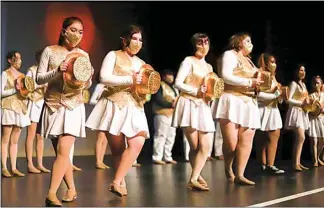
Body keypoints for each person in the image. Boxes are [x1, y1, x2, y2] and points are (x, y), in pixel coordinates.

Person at [86, 25, 150, 197]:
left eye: (140, 39)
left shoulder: (142, 64)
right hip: (115, 103)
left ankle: (115, 181)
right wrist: (130, 79)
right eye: (134, 38)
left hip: (135, 105)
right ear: (124, 40)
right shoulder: (113, 55)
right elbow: (104, 77)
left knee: (138, 141)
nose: (137, 42)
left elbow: (145, 85)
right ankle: (120, 182)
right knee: (118, 150)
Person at [36, 16, 93, 206]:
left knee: (63, 150)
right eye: (73, 30)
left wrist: (88, 77)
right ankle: (72, 189)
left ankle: (51, 194)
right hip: (53, 106)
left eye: (80, 31)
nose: (77, 34)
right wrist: (57, 71)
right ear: (63, 31)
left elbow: (86, 84)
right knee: (63, 154)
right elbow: (39, 79)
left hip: (73, 106)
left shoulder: (83, 55)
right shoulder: (50, 51)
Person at [214, 33, 262, 185]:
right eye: (247, 40)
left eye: (251, 40)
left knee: (246, 141)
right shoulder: (229, 55)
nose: (250, 43)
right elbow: (225, 76)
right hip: (232, 100)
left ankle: (240, 174)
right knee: (231, 143)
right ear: (238, 42)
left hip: (249, 103)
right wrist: (250, 82)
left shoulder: (250, 62)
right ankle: (228, 167)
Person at [172, 33, 215, 191]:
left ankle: (194, 177)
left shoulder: (209, 67)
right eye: (200, 43)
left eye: (206, 43)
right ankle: (196, 176)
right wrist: (196, 90)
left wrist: (210, 95)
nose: (204, 46)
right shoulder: (188, 61)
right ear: (194, 45)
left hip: (202, 106)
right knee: (195, 146)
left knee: (206, 145)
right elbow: (178, 83)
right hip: (188, 103)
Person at [1, 51, 30, 177]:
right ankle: (4, 167)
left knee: (15, 140)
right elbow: (1, 92)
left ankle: (13, 167)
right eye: (17, 58)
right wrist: (15, 90)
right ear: (10, 60)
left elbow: (25, 93)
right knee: (5, 138)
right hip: (8, 107)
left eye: (20, 58)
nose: (19, 61)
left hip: (20, 108)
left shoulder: (22, 76)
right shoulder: (5, 74)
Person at [255, 53, 285, 174]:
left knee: (274, 135)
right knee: (261, 139)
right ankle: (262, 164)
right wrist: (274, 95)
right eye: (272, 62)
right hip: (262, 108)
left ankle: (270, 164)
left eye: (275, 62)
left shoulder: (273, 77)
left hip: (273, 109)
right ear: (266, 63)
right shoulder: (260, 74)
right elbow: (257, 94)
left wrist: (280, 96)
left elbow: (278, 95)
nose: (274, 64)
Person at [25, 49, 51, 174]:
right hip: (34, 102)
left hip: (44, 103)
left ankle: (39, 163)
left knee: (40, 136)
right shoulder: (32, 70)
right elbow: (27, 87)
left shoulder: (48, 72)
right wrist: (41, 86)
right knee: (31, 135)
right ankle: (30, 164)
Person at [284, 64, 310, 171]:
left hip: (303, 113)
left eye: (304, 70)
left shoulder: (303, 85)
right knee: (301, 137)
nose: (302, 72)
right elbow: (288, 99)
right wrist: (301, 103)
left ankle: (297, 162)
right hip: (296, 111)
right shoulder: (293, 84)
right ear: (296, 71)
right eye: (300, 70)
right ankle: (295, 163)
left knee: (300, 138)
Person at [152, 69, 179, 165]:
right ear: (164, 76)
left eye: (172, 75)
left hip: (172, 114)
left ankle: (167, 156)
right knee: (161, 135)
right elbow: (158, 99)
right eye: (169, 75)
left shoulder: (174, 88)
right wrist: (171, 104)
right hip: (161, 113)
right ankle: (157, 156)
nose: (171, 77)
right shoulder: (160, 85)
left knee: (171, 136)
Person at [307, 76, 324, 167]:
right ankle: (315, 160)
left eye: (318, 83)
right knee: (314, 140)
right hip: (313, 119)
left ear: (321, 84)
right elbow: (309, 109)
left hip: (322, 119)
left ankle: (317, 157)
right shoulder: (311, 96)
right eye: (314, 83)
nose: (316, 85)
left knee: (322, 140)